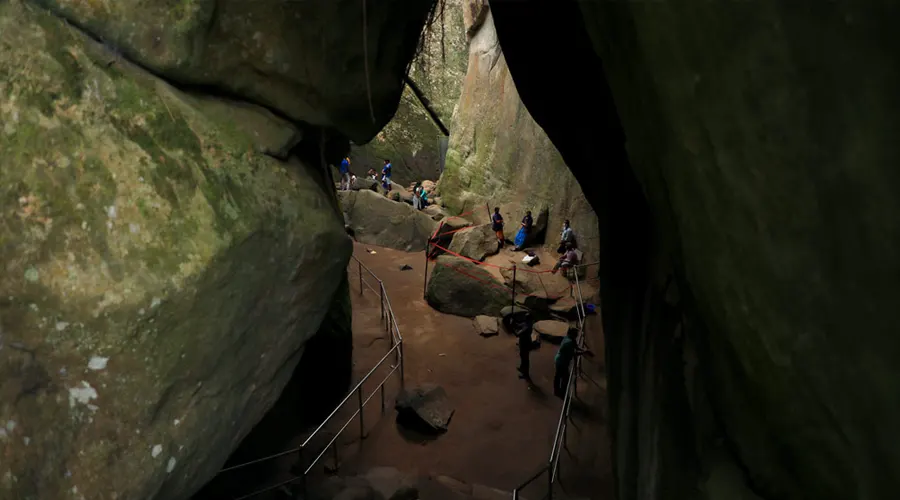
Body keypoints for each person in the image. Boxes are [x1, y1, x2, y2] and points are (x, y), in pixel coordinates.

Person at [553, 327, 590, 398]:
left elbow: (576, 347)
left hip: (560, 359)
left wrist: (584, 350)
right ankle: (562, 393)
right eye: (576, 334)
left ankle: (557, 391)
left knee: (558, 376)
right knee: (564, 377)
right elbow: (574, 353)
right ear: (572, 334)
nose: (577, 335)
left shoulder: (569, 338)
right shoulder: (569, 342)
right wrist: (584, 352)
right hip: (561, 361)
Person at [515, 313, 535, 381]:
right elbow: (519, 325)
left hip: (525, 345)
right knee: (522, 356)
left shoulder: (527, 327)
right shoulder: (527, 323)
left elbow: (518, 334)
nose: (525, 319)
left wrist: (515, 330)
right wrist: (515, 323)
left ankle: (525, 374)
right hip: (523, 344)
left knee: (525, 359)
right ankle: (522, 368)